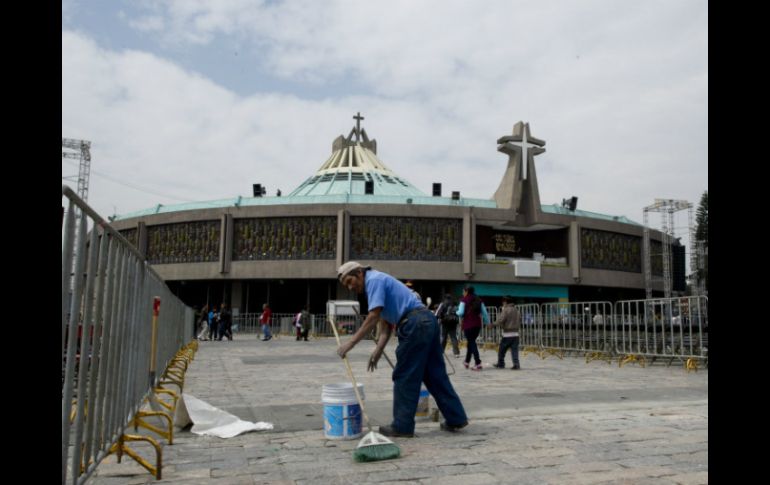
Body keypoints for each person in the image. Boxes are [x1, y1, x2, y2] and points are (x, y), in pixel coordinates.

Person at [335, 261, 468, 438]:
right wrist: (378, 351)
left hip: (415, 324)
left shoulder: (373, 281)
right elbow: (385, 327)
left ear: (359, 273)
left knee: (405, 375)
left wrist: (350, 343)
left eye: (350, 281)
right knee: (435, 375)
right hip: (426, 322)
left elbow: (373, 316)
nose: (351, 287)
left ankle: (402, 425)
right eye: (346, 285)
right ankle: (456, 418)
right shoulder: (377, 284)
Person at [456, 286, 490, 371]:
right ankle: (467, 361)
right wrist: (488, 323)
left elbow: (460, 312)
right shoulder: (479, 299)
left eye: (463, 291)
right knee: (471, 342)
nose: (463, 293)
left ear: (466, 291)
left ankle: (478, 363)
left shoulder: (464, 300)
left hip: (468, 324)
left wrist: (455, 311)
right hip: (477, 325)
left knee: (472, 342)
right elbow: (484, 313)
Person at [492, 296, 521, 369]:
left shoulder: (506, 310)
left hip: (507, 334)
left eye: (503, 302)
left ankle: (501, 363)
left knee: (501, 350)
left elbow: (501, 320)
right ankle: (516, 364)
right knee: (514, 351)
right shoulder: (517, 310)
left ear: (505, 302)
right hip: (516, 334)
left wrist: (492, 324)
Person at [435, 293, 461, 358]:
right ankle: (456, 353)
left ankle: (441, 351)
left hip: (444, 323)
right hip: (453, 323)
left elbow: (437, 313)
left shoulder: (442, 304)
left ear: (445, 298)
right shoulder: (454, 304)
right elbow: (458, 313)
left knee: (443, 337)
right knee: (453, 337)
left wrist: (437, 319)